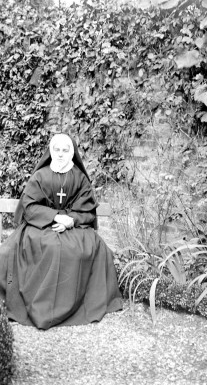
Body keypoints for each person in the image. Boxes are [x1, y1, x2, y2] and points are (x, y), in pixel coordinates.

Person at [0, 133, 123, 329]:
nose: (60, 154)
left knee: (86, 249)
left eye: (65, 150)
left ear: (72, 153)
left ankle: (72, 305)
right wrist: (55, 217)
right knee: (45, 247)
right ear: (51, 151)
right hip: (41, 225)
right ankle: (41, 307)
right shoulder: (40, 176)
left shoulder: (80, 178)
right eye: (56, 150)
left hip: (72, 227)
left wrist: (70, 220)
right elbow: (29, 207)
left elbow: (87, 211)